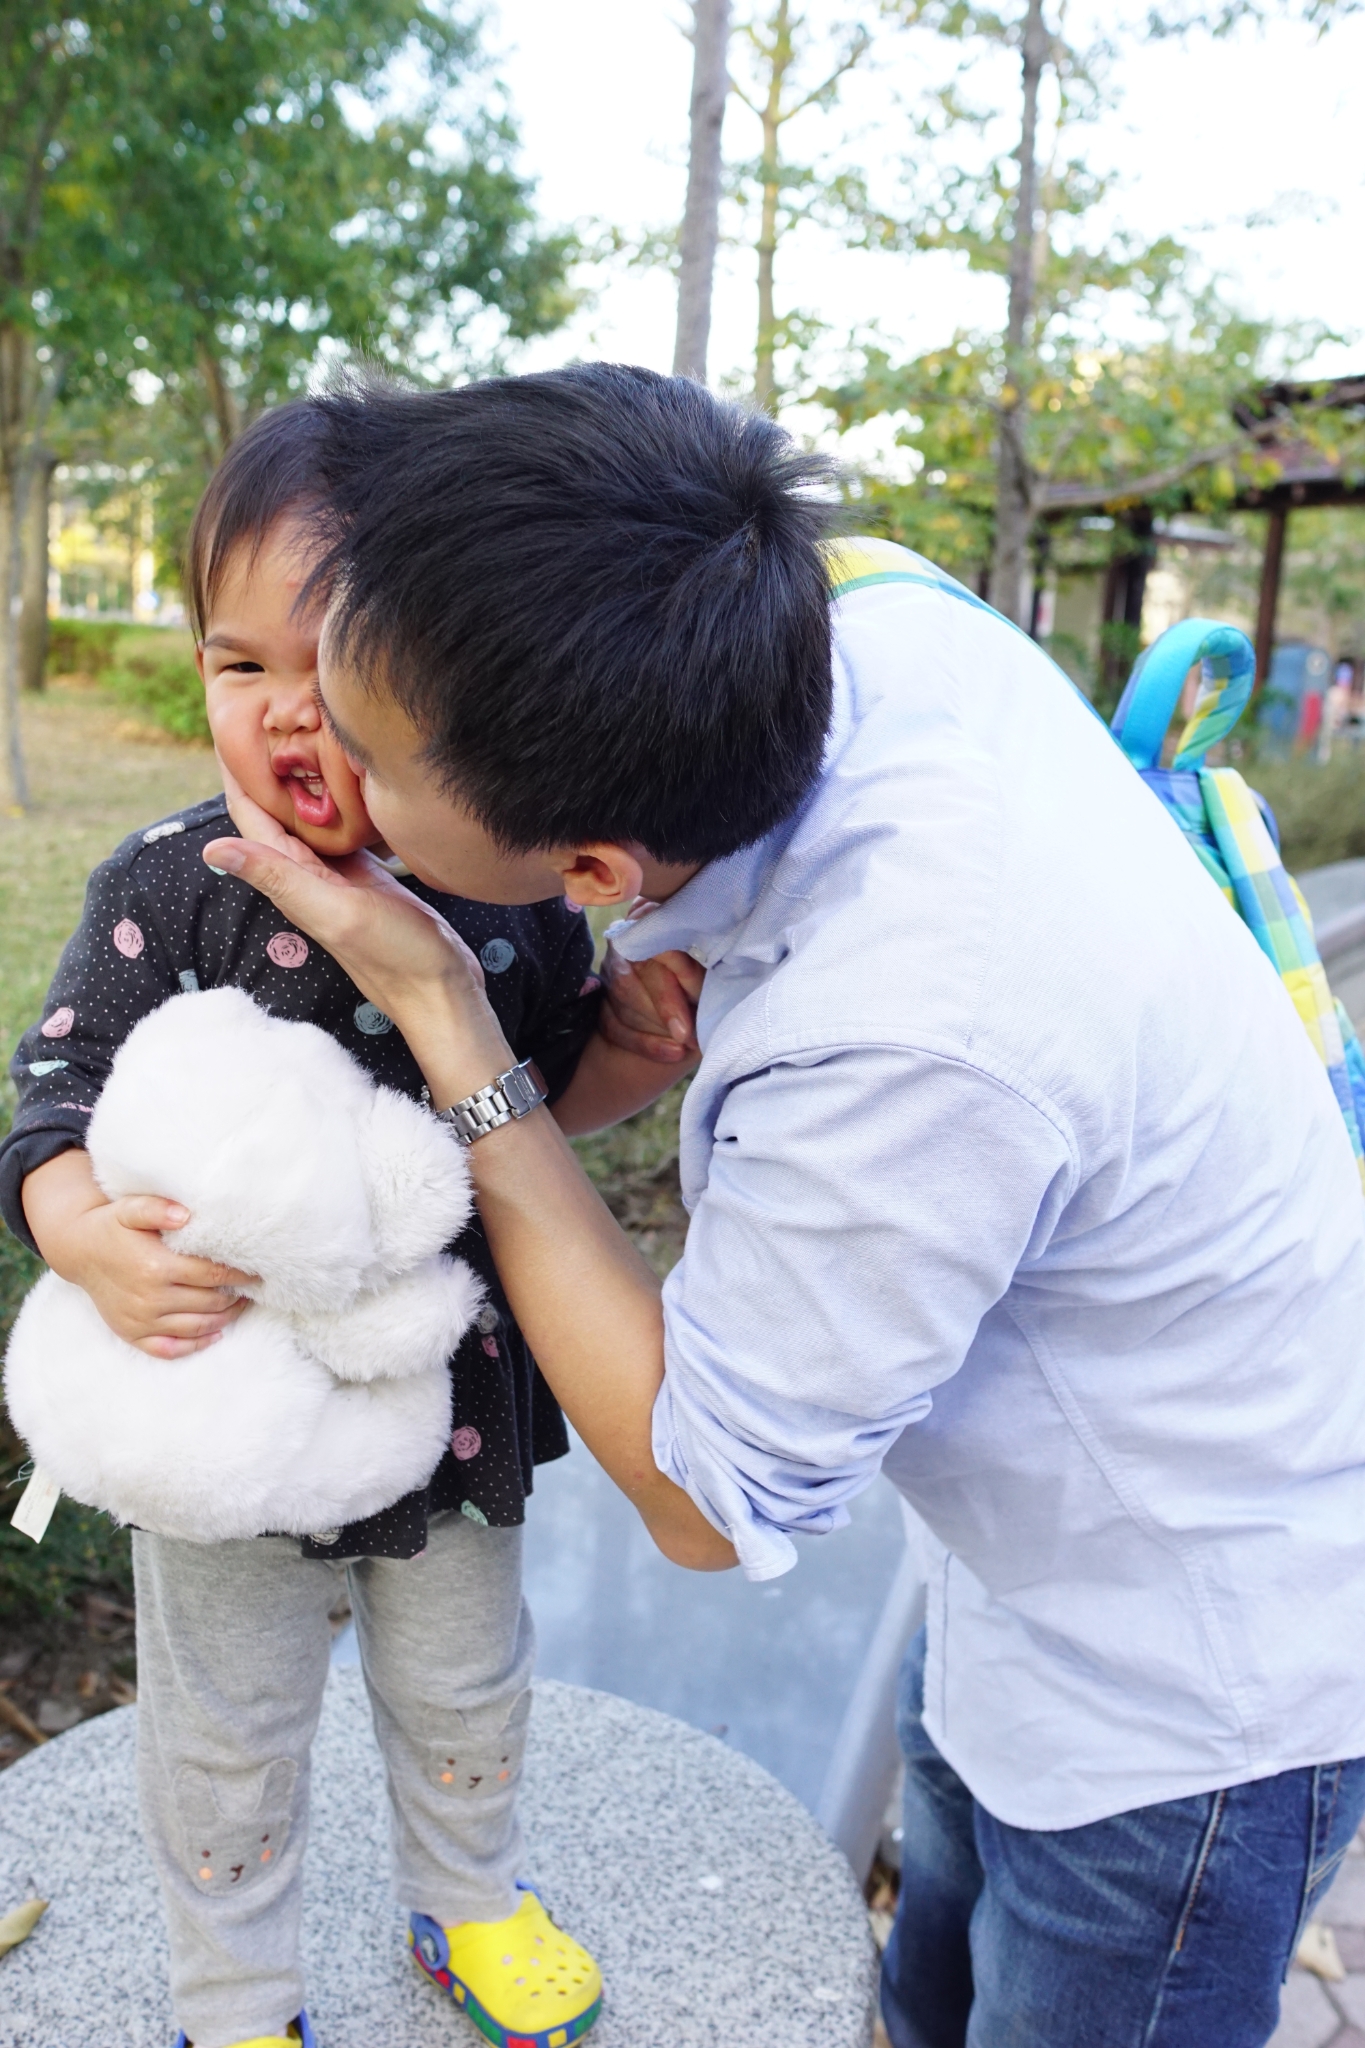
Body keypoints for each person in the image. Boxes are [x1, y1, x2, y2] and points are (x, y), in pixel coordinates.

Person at [193, 365, 1365, 2048]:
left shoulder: (905, 1034)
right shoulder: (839, 607)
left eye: (369, 749)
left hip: (1182, 1697)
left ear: (590, 873)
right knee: (926, 1990)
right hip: (1029, 1578)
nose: (321, 747)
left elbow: (704, 1490)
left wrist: (453, 1020)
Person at [0, 401, 699, 2048]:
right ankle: (235, 1992)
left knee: (465, 1682)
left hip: (448, 1399)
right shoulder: (166, 885)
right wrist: (82, 1234)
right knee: (226, 1724)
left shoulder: (499, 885)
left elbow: (524, 1120)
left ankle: (470, 1904)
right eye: (237, 663)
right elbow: (52, 1098)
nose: (283, 710)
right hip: (226, 1409)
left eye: (332, 664)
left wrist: (628, 1054)